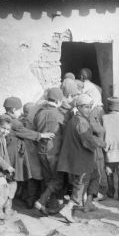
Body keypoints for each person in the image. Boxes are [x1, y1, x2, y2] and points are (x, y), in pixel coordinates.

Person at [57, 94, 105, 223]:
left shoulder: (75, 119)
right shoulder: (81, 122)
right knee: (80, 185)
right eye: (85, 107)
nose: (88, 109)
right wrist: (101, 143)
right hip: (81, 159)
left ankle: (88, 203)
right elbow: (87, 142)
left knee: (95, 176)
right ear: (78, 107)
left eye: (90, 107)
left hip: (77, 158)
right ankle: (68, 208)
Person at [2, 96, 54, 216]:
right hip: (16, 155)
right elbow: (25, 133)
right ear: (13, 109)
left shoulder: (5, 118)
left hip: (16, 154)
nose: (21, 113)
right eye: (20, 110)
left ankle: (11, 204)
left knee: (17, 179)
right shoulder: (14, 122)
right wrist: (41, 135)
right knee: (14, 181)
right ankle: (7, 206)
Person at [33, 87, 66, 215]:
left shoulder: (39, 113)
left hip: (41, 150)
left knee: (48, 179)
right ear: (58, 101)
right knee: (57, 179)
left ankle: (51, 205)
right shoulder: (59, 115)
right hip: (54, 151)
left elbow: (36, 128)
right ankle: (41, 201)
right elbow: (65, 132)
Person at [102, 97, 119, 201]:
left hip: (109, 152)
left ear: (109, 107)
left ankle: (110, 192)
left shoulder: (104, 118)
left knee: (109, 173)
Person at [21, 102, 43, 209]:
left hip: (25, 154)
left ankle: (27, 198)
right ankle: (31, 200)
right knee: (33, 178)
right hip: (32, 154)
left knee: (28, 178)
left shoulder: (20, 121)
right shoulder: (32, 122)